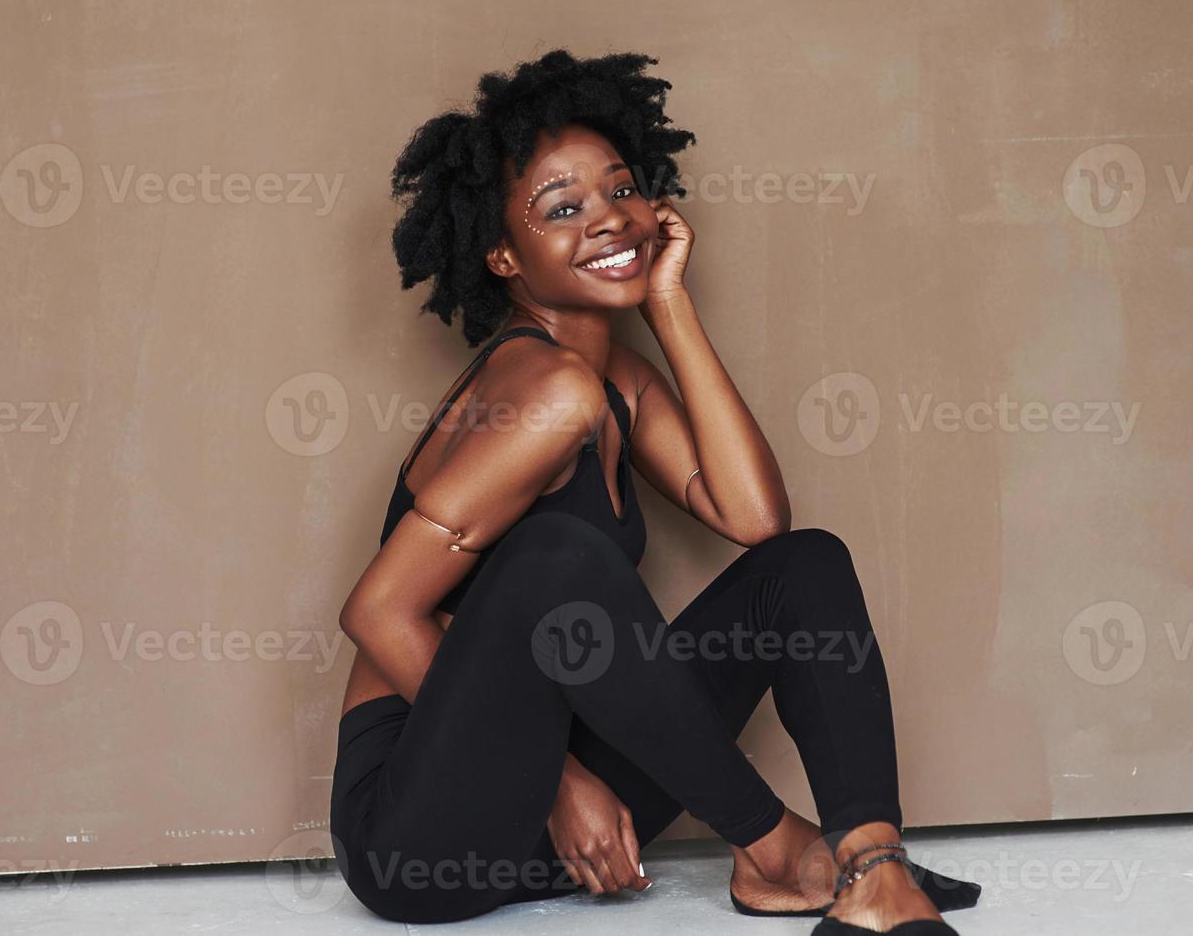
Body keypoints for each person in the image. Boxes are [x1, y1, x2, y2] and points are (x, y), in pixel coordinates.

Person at [330, 49, 979, 936]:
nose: (607, 220)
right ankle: (774, 845)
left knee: (805, 566)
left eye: (620, 190)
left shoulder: (614, 381)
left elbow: (754, 519)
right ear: (503, 257)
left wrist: (668, 301)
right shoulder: (542, 390)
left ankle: (873, 870)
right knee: (558, 556)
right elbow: (375, 611)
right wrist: (563, 784)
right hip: (421, 831)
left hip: (559, 813)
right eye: (562, 210)